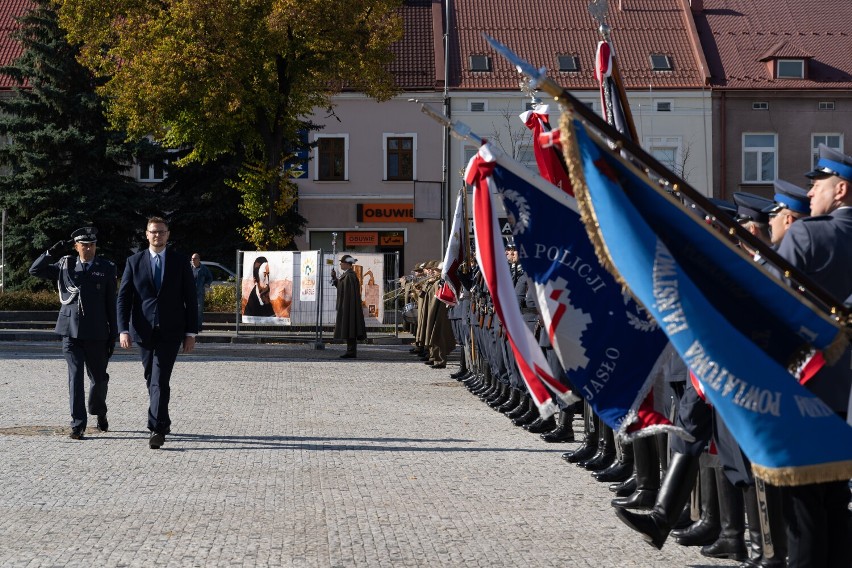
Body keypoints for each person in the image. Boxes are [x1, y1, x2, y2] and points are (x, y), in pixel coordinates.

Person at [770, 145, 852, 568]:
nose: (812, 193)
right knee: (838, 501)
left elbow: (772, 304)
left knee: (803, 504)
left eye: (817, 184)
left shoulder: (807, 234)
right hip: (844, 393)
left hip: (808, 384)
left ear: (841, 190)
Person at [117, 217, 198, 449]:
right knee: (151, 378)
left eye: (161, 232)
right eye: (153, 232)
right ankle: (164, 417)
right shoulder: (134, 262)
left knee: (160, 379)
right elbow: (123, 299)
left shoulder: (180, 262)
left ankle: (156, 429)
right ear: (146, 234)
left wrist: (191, 332)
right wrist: (123, 329)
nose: (157, 236)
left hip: (171, 331)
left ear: (168, 235)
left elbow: (190, 299)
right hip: (143, 330)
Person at [29, 227, 117, 440]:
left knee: (98, 380)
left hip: (97, 333)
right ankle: (78, 425)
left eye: (92, 245)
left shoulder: (106, 267)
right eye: (84, 245)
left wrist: (113, 333)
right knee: (75, 378)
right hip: (71, 332)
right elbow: (35, 271)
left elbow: (110, 304)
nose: (88, 248)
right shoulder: (65, 265)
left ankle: (100, 411)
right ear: (76, 246)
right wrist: (51, 253)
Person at [331, 254, 366, 358]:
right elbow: (342, 288)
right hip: (346, 306)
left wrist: (346, 306)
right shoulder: (347, 275)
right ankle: (350, 350)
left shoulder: (350, 275)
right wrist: (335, 278)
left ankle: (351, 351)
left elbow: (349, 293)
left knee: (350, 327)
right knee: (348, 327)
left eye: (342, 262)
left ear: (347, 263)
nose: (340, 264)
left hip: (349, 307)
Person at [191, 253, 213, 331]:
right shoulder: (188, 268)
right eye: (192, 259)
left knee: (199, 310)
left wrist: (207, 284)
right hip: (189, 293)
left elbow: (210, 278)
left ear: (199, 259)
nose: (193, 260)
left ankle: (198, 326)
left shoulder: (204, 269)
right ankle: (190, 326)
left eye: (194, 259)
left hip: (199, 293)